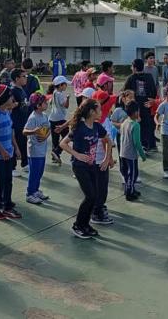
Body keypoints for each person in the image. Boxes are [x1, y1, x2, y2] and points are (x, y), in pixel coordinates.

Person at [60, 99, 107, 239]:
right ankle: (78, 225)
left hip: (91, 165)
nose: (101, 111)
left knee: (95, 195)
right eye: (99, 109)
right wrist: (77, 155)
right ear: (92, 112)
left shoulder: (97, 127)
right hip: (80, 167)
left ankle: (85, 224)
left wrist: (107, 158)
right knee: (90, 196)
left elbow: (108, 140)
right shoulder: (79, 128)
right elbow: (63, 143)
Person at [0, 83, 21, 220]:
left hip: (9, 153)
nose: (12, 98)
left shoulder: (7, 112)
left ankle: (7, 206)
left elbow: (11, 133)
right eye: (9, 96)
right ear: (3, 99)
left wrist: (16, 148)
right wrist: (1, 151)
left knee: (8, 180)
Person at [92, 90, 118, 225]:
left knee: (96, 186)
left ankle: (97, 207)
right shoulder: (103, 122)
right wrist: (109, 159)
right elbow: (105, 142)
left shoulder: (96, 119)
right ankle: (97, 212)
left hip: (95, 159)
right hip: (100, 160)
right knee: (101, 187)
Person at [123, 58, 158, 151]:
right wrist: (151, 100)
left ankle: (139, 145)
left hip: (135, 107)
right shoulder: (149, 76)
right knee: (148, 125)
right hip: (147, 105)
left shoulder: (130, 78)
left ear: (134, 68)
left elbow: (125, 93)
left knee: (136, 125)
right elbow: (154, 90)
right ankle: (149, 144)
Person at [24, 93, 51, 205]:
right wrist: (34, 131)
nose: (47, 103)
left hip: (42, 149)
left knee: (39, 172)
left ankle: (36, 190)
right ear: (38, 105)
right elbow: (24, 131)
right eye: (45, 102)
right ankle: (30, 193)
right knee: (34, 172)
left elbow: (49, 128)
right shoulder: (33, 117)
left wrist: (45, 135)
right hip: (34, 150)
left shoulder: (44, 115)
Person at [119, 101, 146, 201]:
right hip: (131, 154)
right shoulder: (136, 125)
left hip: (123, 153)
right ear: (135, 112)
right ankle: (129, 193)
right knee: (133, 174)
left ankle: (129, 189)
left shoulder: (124, 123)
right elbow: (137, 142)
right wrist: (142, 155)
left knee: (126, 173)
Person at [9, 68, 30, 176]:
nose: (26, 78)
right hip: (15, 122)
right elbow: (10, 106)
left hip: (23, 121)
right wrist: (14, 104)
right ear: (17, 79)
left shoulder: (22, 89)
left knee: (23, 142)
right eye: (23, 76)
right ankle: (12, 167)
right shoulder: (12, 90)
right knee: (14, 143)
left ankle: (25, 163)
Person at [47, 75, 71, 165]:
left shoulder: (54, 92)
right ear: (61, 85)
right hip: (60, 119)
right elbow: (65, 105)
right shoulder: (60, 94)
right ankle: (57, 152)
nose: (66, 86)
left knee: (55, 139)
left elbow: (50, 102)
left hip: (53, 118)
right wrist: (68, 98)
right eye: (65, 84)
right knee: (67, 137)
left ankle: (54, 156)